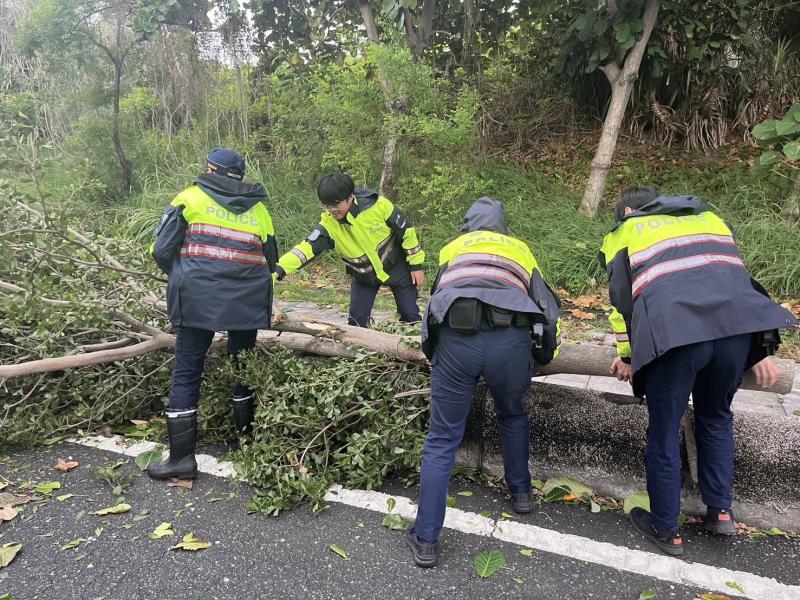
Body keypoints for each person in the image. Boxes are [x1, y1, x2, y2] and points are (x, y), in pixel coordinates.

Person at [600, 186, 797, 556]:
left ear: (627, 210)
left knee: (664, 429)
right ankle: (720, 512)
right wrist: (759, 349)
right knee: (716, 416)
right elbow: (738, 283)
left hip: (676, 336)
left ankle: (666, 527)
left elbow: (622, 301)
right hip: (733, 333)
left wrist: (627, 355)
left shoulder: (624, 232)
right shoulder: (711, 221)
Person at [406, 197, 561, 568]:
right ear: (501, 226)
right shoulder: (521, 250)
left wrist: (434, 354)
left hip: (457, 344)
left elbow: (436, 305)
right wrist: (542, 356)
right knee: (511, 415)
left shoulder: (452, 247)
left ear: (469, 226)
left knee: (443, 438)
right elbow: (548, 308)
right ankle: (521, 494)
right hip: (510, 345)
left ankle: (426, 539)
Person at [147, 148, 278, 480]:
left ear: (210, 169)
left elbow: (161, 251)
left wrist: (184, 274)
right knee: (242, 366)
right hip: (246, 302)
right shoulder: (260, 210)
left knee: (188, 371)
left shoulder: (190, 198)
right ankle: (245, 442)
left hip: (196, 300)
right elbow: (270, 259)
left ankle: (181, 460)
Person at [275, 173, 425, 327]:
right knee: (355, 322)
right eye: (327, 205)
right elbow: (305, 249)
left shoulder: (379, 206)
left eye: (336, 204)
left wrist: (416, 266)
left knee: (410, 316)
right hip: (363, 277)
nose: (332, 210)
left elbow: (407, 232)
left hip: (397, 268)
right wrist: (278, 269)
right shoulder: (328, 225)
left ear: (350, 197)